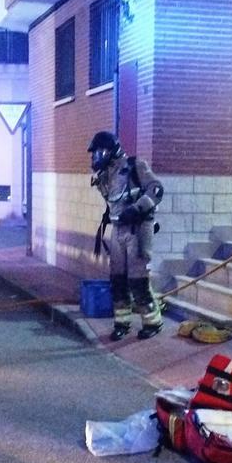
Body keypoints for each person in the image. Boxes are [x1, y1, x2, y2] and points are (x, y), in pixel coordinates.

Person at [88, 131, 165, 341]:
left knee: (137, 280)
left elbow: (157, 189)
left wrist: (138, 208)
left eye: (100, 152)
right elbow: (113, 202)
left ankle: (153, 322)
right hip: (118, 229)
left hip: (138, 228)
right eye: (95, 154)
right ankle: (122, 322)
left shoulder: (135, 165)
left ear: (111, 150)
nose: (96, 157)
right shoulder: (106, 175)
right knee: (117, 280)